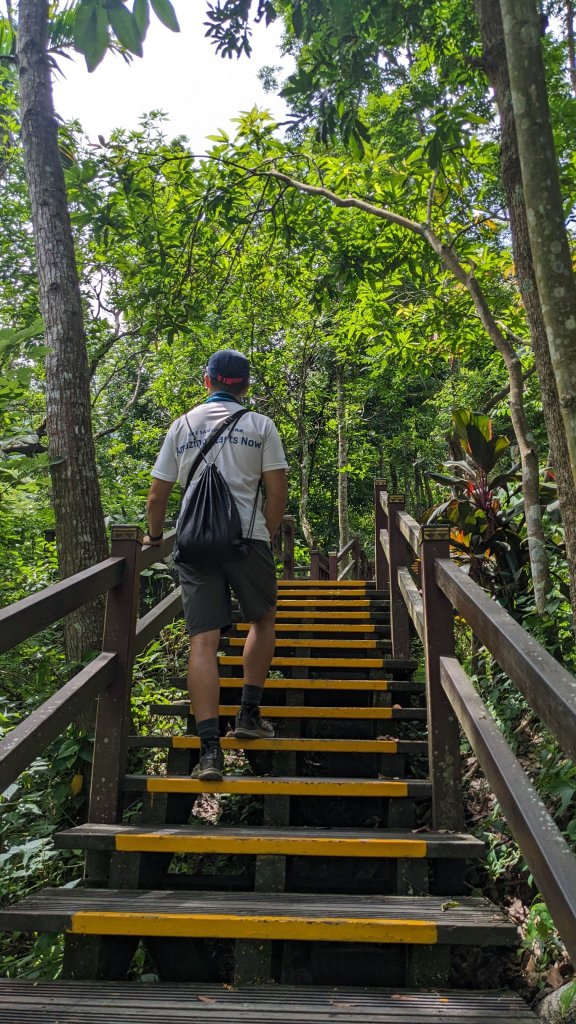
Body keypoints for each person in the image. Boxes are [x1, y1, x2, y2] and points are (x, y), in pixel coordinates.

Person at [143, 349, 288, 782]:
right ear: (244, 385)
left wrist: (155, 538)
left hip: (194, 546)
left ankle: (209, 752)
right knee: (263, 620)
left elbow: (157, 496)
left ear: (207, 381)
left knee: (202, 641)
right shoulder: (260, 425)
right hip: (247, 542)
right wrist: (267, 531)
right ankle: (248, 712)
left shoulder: (182, 425)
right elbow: (276, 493)